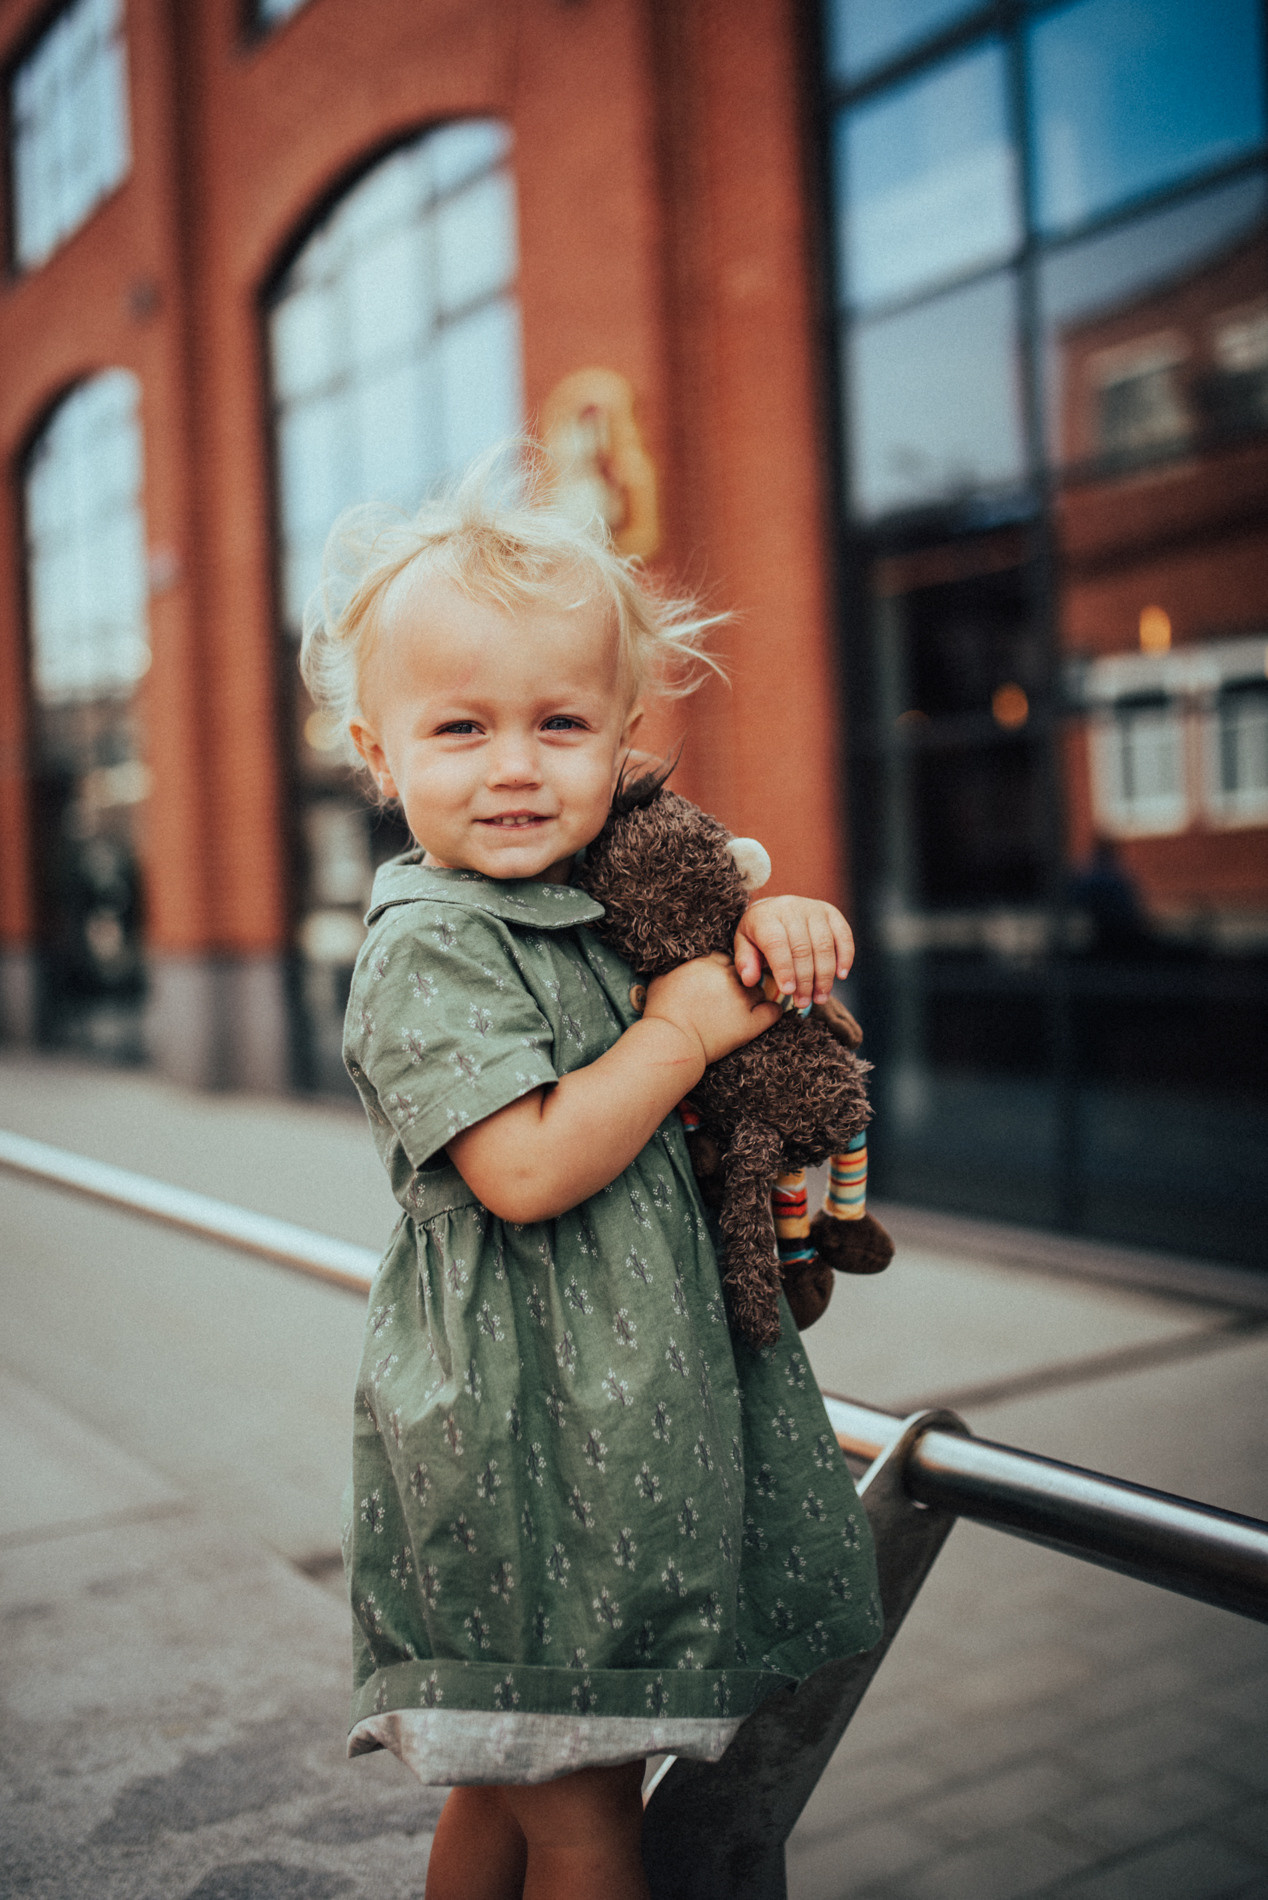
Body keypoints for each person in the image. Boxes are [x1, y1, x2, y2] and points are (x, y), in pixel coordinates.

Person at [301, 451, 882, 1900]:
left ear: (624, 737)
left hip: (613, 1427)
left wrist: (778, 923)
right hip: (531, 1446)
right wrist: (684, 1030)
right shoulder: (429, 946)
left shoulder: (592, 896)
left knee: (514, 1795)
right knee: (581, 1811)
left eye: (560, 723)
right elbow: (528, 1168)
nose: (515, 765)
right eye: (461, 728)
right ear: (381, 755)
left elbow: (712, 906)